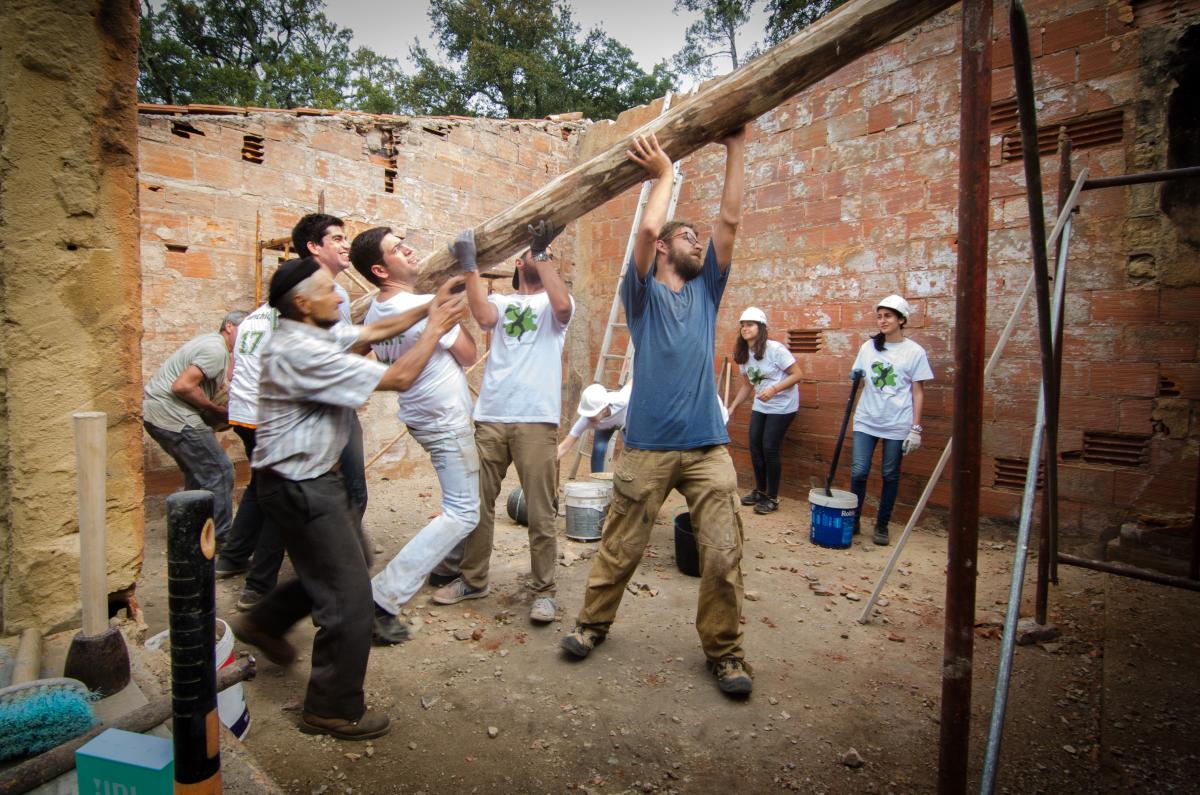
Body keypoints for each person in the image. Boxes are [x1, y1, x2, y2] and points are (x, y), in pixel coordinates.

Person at [231, 256, 467, 741]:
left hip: (306, 478)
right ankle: (331, 709)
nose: (340, 297)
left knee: (351, 559)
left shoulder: (309, 332)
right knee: (351, 598)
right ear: (302, 302)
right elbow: (399, 377)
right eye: (329, 291)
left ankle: (264, 622)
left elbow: (371, 333)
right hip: (299, 485)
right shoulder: (300, 352)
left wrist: (428, 307)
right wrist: (436, 327)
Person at [561, 128, 754, 697]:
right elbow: (647, 228)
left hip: (706, 446)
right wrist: (665, 173)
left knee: (722, 551)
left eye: (699, 237)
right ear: (667, 249)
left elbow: (731, 222)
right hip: (645, 445)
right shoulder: (640, 293)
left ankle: (725, 654)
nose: (700, 242)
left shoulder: (708, 289)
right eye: (688, 237)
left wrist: (735, 148)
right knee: (620, 546)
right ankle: (591, 625)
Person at [431, 221, 575, 626]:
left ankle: (543, 590)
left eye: (543, 252)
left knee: (541, 510)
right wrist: (470, 263)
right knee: (477, 504)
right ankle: (473, 579)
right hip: (491, 417)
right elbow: (482, 315)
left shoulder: (556, 303)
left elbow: (562, 308)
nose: (536, 254)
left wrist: (543, 252)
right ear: (517, 261)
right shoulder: (503, 301)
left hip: (536, 420)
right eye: (530, 250)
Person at [348, 225, 479, 644]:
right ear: (379, 270)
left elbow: (360, 351)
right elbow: (470, 355)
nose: (408, 250)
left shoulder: (374, 312)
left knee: (459, 504)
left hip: (423, 416)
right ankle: (383, 597)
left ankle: (443, 567)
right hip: (444, 417)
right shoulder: (422, 303)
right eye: (396, 249)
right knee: (464, 511)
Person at [143, 310, 246, 546]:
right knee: (220, 470)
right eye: (244, 329)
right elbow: (182, 386)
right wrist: (215, 410)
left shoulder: (213, 345)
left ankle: (193, 530)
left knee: (198, 474)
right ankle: (221, 539)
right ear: (229, 327)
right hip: (173, 415)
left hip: (156, 414)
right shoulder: (215, 349)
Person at [292, 213, 369, 521]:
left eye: (344, 238)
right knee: (351, 492)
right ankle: (330, 564)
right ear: (313, 246)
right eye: (337, 239)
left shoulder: (339, 294)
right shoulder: (304, 291)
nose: (345, 245)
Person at [216, 302, 287, 611]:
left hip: (244, 414)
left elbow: (234, 370)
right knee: (282, 498)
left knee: (260, 485)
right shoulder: (289, 315)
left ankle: (232, 557)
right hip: (267, 417)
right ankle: (258, 584)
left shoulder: (252, 318)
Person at [849, 294, 933, 546]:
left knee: (890, 474)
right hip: (867, 419)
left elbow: (918, 391)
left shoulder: (914, 352)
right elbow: (861, 380)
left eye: (888, 316)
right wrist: (856, 376)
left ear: (901, 319)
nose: (882, 321)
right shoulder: (868, 347)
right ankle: (852, 519)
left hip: (897, 422)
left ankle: (882, 525)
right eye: (879, 316)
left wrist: (916, 428)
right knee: (859, 471)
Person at [725, 307, 801, 515]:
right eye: (742, 325)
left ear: (761, 327)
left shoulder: (775, 349)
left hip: (783, 406)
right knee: (755, 446)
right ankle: (759, 491)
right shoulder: (744, 354)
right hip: (762, 404)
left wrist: (774, 389)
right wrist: (732, 407)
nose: (745, 328)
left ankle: (772, 497)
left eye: (750, 324)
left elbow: (797, 374)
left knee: (769, 448)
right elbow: (748, 385)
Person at [556, 380, 633, 473]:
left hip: (626, 423)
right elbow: (564, 446)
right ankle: (597, 483)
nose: (588, 417)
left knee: (632, 450)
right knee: (599, 449)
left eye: (592, 414)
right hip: (604, 428)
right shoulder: (585, 420)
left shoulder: (622, 400)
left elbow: (632, 381)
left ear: (604, 409)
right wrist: (546, 463)